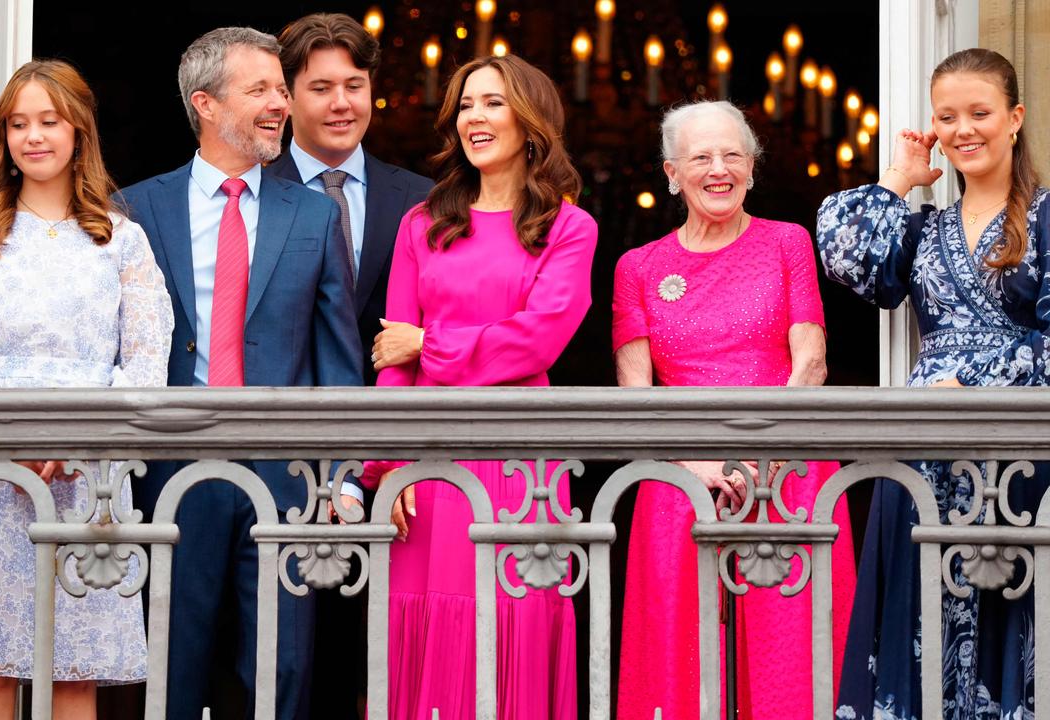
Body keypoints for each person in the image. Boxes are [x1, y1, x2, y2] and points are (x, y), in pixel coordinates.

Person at [0, 59, 172, 719]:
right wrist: (14, 434)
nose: (34, 136)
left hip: (86, 476)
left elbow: (144, 363)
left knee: (74, 670)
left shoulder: (123, 243)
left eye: (49, 121)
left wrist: (70, 435)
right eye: (18, 124)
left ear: (78, 131)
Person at [118, 27, 363, 720]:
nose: (280, 104)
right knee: (170, 661)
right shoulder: (138, 208)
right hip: (168, 468)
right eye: (259, 89)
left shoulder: (315, 212)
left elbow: (338, 361)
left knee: (280, 668)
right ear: (205, 103)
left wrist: (340, 478)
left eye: (282, 90)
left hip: (281, 476)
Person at [365, 54, 596, 720]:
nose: (475, 117)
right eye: (466, 105)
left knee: (508, 625)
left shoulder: (569, 227)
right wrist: (388, 468)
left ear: (529, 123)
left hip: (519, 459)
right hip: (428, 465)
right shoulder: (422, 223)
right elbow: (392, 359)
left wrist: (428, 344)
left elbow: (538, 340)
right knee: (424, 632)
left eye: (493, 103)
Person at [817, 48, 1045, 720]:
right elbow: (846, 257)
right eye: (948, 117)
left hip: (1017, 459)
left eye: (980, 112)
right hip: (922, 455)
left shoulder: (1049, 219)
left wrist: (972, 380)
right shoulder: (923, 230)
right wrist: (898, 179)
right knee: (916, 630)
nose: (963, 129)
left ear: (1015, 119)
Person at [611, 100, 856, 719]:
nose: (718, 169)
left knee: (789, 662)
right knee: (682, 664)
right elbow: (636, 392)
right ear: (672, 172)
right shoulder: (637, 267)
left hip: (786, 472)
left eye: (732, 155)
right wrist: (700, 467)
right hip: (679, 479)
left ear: (752, 166)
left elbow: (811, 363)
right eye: (700, 157)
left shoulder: (787, 242)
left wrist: (755, 458)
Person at [269, 13, 435, 718]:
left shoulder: (423, 199)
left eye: (356, 85)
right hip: (282, 455)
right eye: (322, 87)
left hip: (399, 465)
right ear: (287, 96)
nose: (342, 103)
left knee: (382, 659)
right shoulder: (250, 190)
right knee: (281, 661)